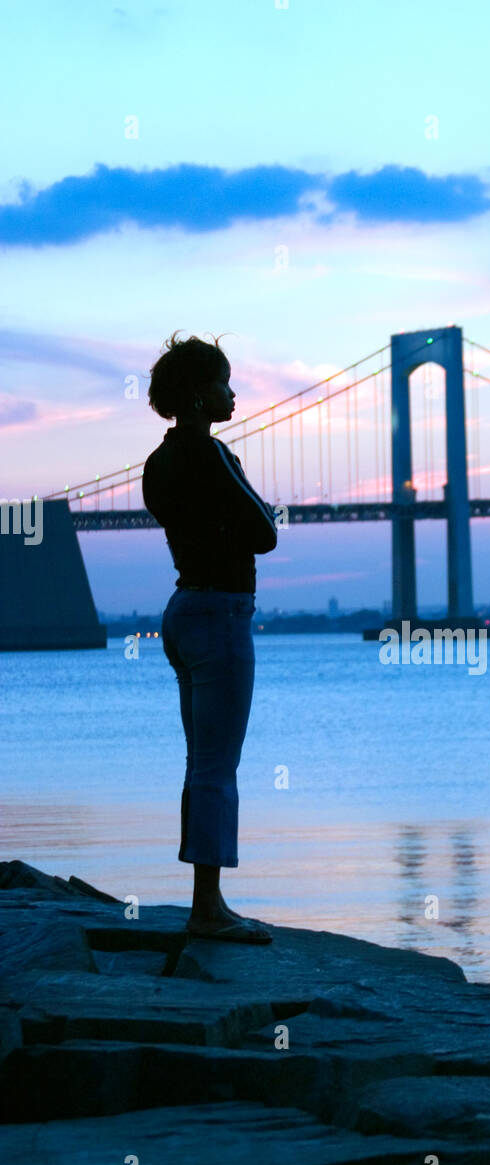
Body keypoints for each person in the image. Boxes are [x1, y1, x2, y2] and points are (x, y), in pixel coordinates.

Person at [142, 332, 278, 943]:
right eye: (224, 381)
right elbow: (263, 531)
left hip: (181, 612)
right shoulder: (212, 452)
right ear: (199, 394)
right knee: (218, 767)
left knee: (201, 761)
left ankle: (205, 902)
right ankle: (209, 908)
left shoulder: (157, 462)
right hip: (222, 615)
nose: (234, 391)